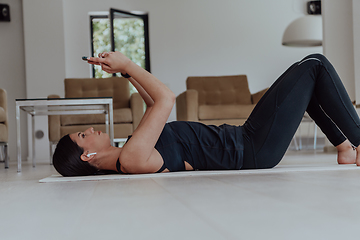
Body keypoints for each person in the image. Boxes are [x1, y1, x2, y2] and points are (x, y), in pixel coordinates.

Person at [53, 52, 360, 177]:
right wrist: (130, 64)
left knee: (304, 89)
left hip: (248, 141)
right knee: (315, 65)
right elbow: (165, 99)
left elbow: (150, 106)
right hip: (250, 147)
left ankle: (346, 148)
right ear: (87, 155)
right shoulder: (131, 159)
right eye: (83, 136)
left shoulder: (131, 151)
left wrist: (123, 73)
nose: (90, 129)